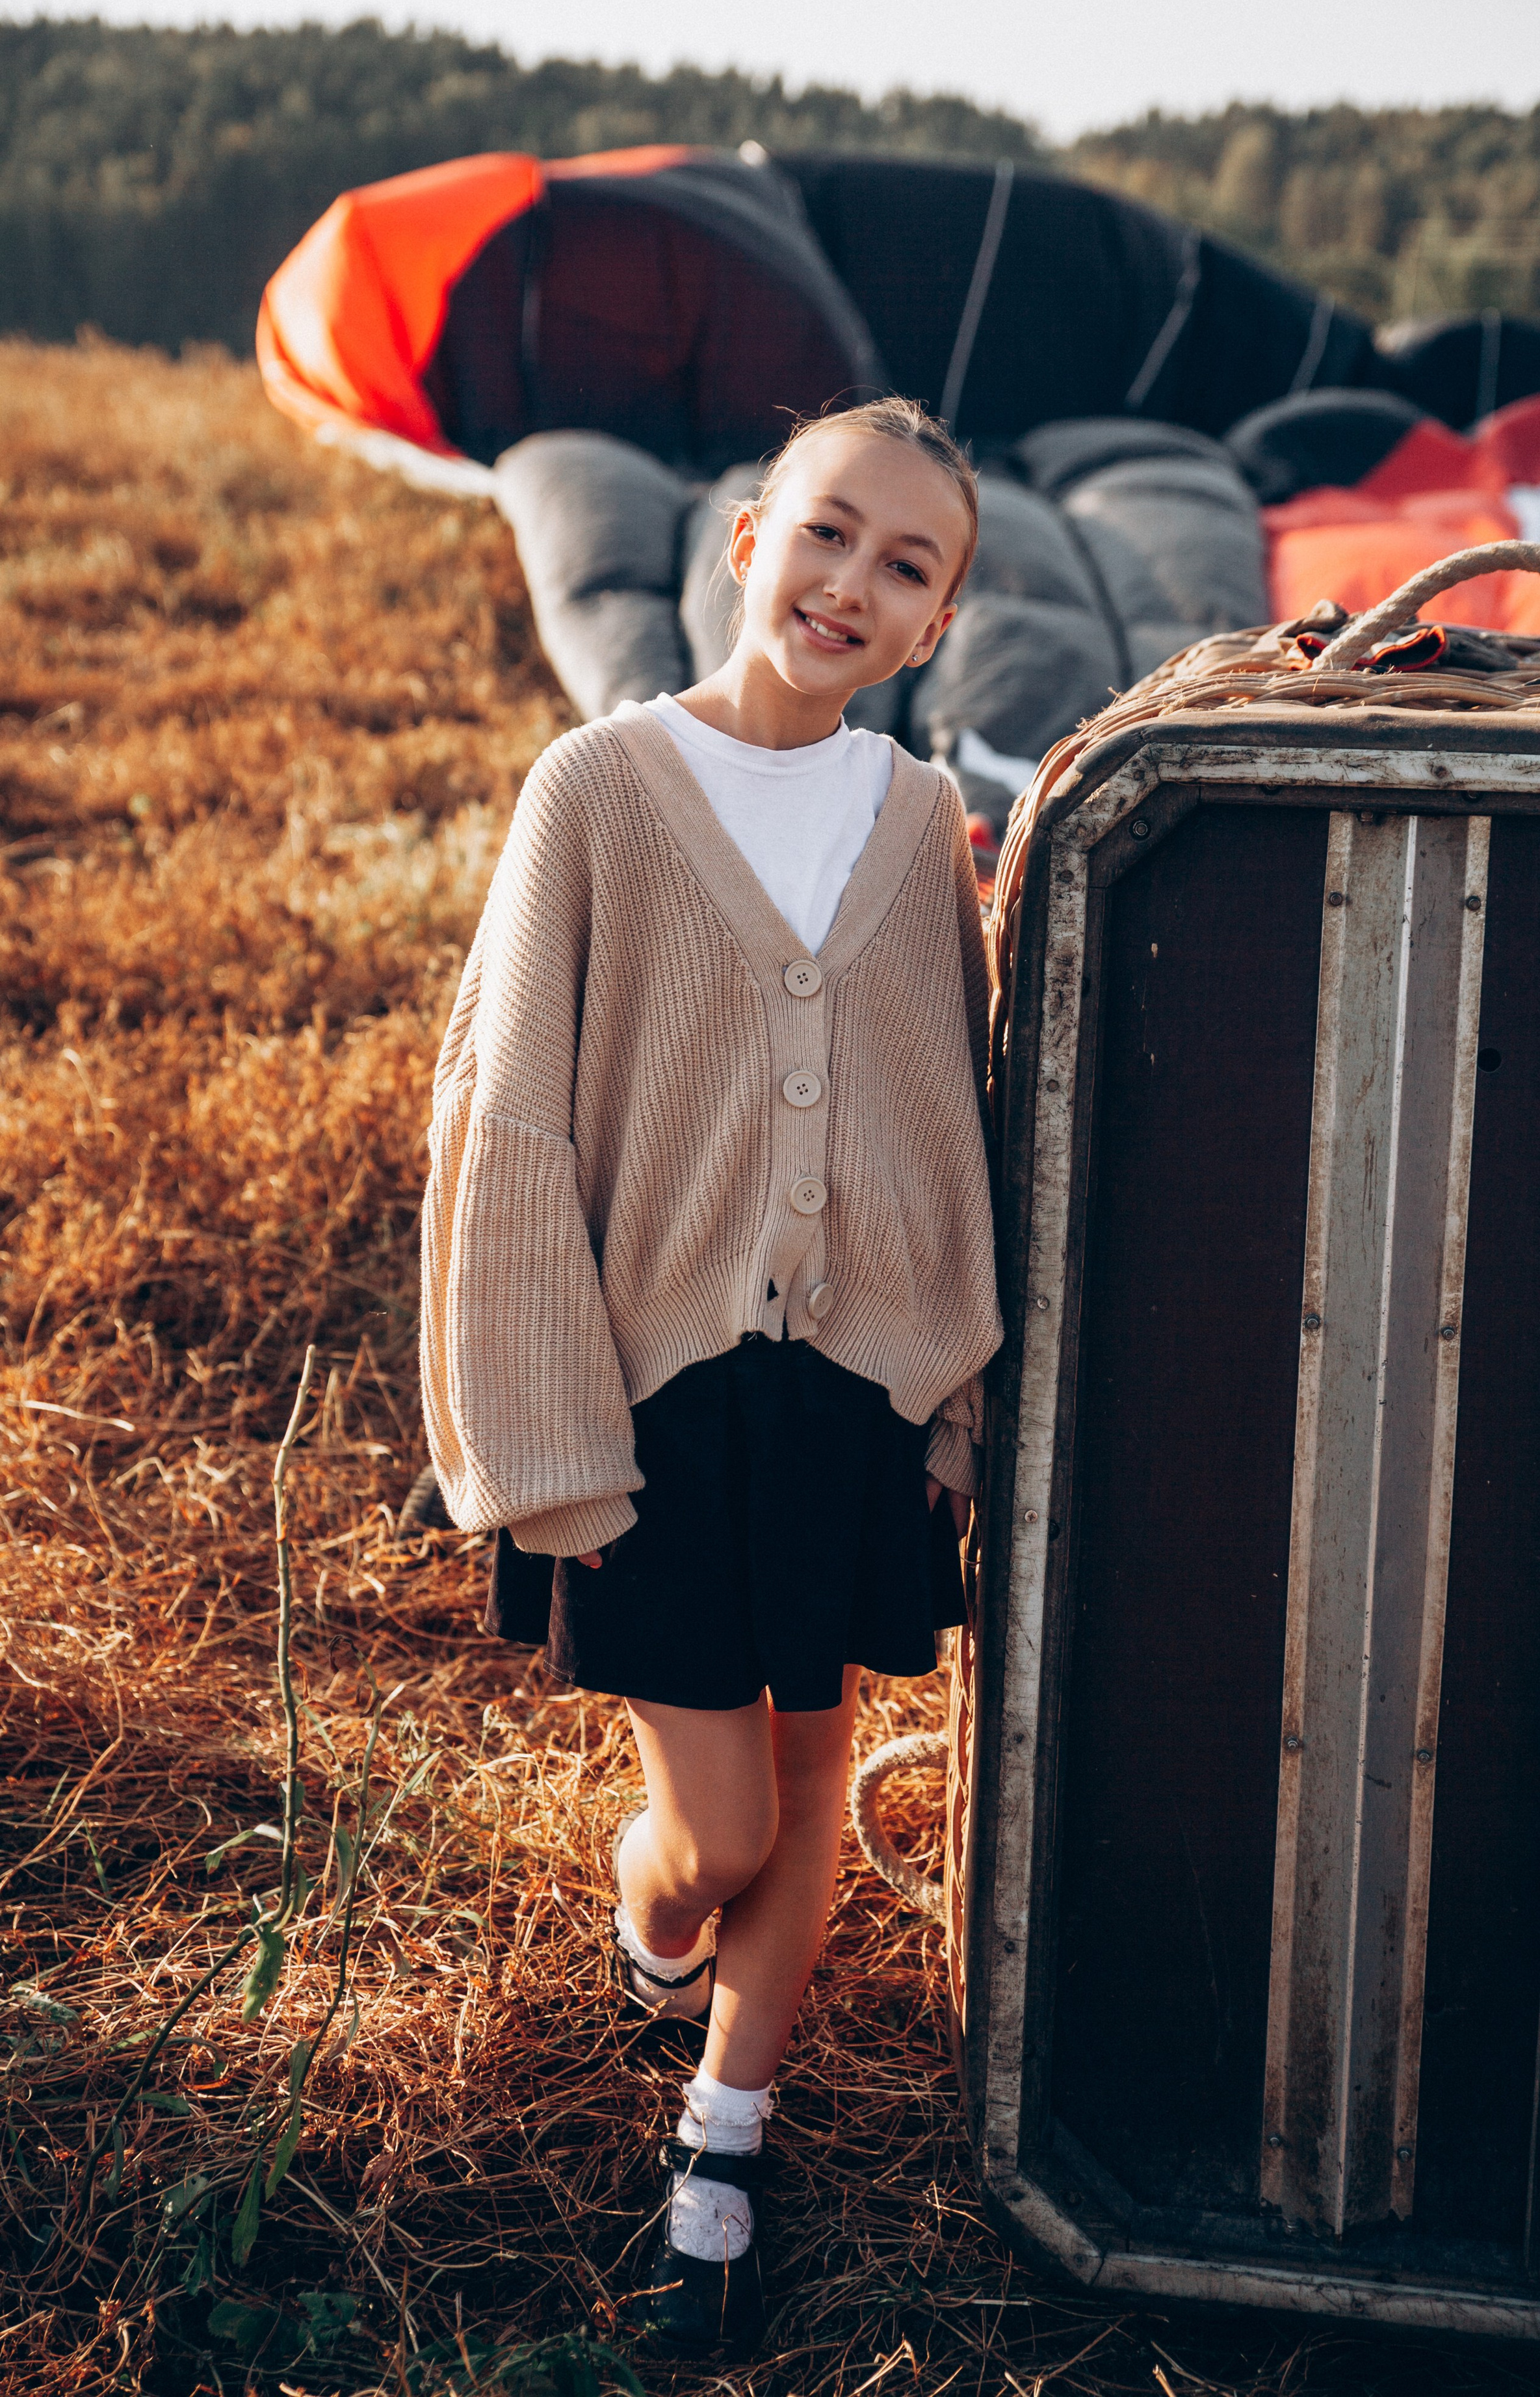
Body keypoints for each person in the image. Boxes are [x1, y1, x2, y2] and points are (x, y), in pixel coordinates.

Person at [420, 395, 1002, 2357]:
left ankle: (723, 2146)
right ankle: (658, 1916)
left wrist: (949, 1391)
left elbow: (950, 1117)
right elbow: (504, 1120)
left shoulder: (920, 824)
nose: (854, 581)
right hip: (657, 1392)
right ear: (750, 537)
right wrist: (540, 1428)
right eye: (830, 532)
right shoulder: (594, 788)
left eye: (906, 566)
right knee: (727, 1826)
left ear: (935, 630)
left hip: (844, 1386)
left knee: (824, 1759)